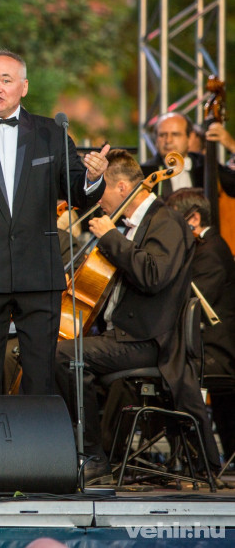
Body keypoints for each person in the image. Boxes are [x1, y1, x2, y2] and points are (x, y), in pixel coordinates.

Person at [0, 49, 108, 396]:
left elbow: (77, 191)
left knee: (40, 378)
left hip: (38, 271)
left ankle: (35, 435)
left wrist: (92, 177)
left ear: (23, 87)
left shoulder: (51, 131)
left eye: (5, 79)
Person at [53, 150, 219, 481]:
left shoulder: (167, 221)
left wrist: (111, 238)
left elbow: (153, 275)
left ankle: (92, 455)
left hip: (149, 340)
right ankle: (79, 450)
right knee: (62, 352)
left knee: (63, 356)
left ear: (122, 187)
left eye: (101, 191)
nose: (97, 201)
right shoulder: (134, 225)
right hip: (124, 336)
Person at [166, 188, 235, 459]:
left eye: (174, 223)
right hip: (205, 346)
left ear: (193, 219)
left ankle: (195, 456)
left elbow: (190, 307)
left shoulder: (211, 252)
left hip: (216, 352)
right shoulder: (203, 248)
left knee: (167, 370)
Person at [143, 113, 235, 198]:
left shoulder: (204, 164)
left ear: (190, 137)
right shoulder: (146, 172)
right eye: (162, 135)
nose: (168, 140)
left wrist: (232, 146)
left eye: (175, 134)